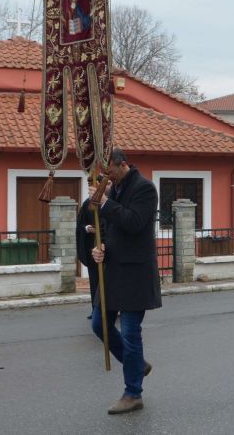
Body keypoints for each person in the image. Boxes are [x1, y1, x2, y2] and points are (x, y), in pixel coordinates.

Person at [87, 148, 161, 415]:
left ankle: (133, 393)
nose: (106, 178)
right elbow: (111, 230)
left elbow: (134, 222)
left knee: (130, 332)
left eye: (109, 172)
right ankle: (137, 364)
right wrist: (101, 247)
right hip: (113, 270)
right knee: (99, 325)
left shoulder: (145, 188)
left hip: (135, 273)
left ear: (122, 165)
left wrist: (105, 204)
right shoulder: (115, 189)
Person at [77, 180, 109, 319]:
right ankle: (96, 310)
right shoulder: (87, 204)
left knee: (109, 281)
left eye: (107, 184)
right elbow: (80, 224)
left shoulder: (112, 203)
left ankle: (112, 308)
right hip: (93, 249)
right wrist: (87, 228)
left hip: (109, 248)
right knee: (95, 281)